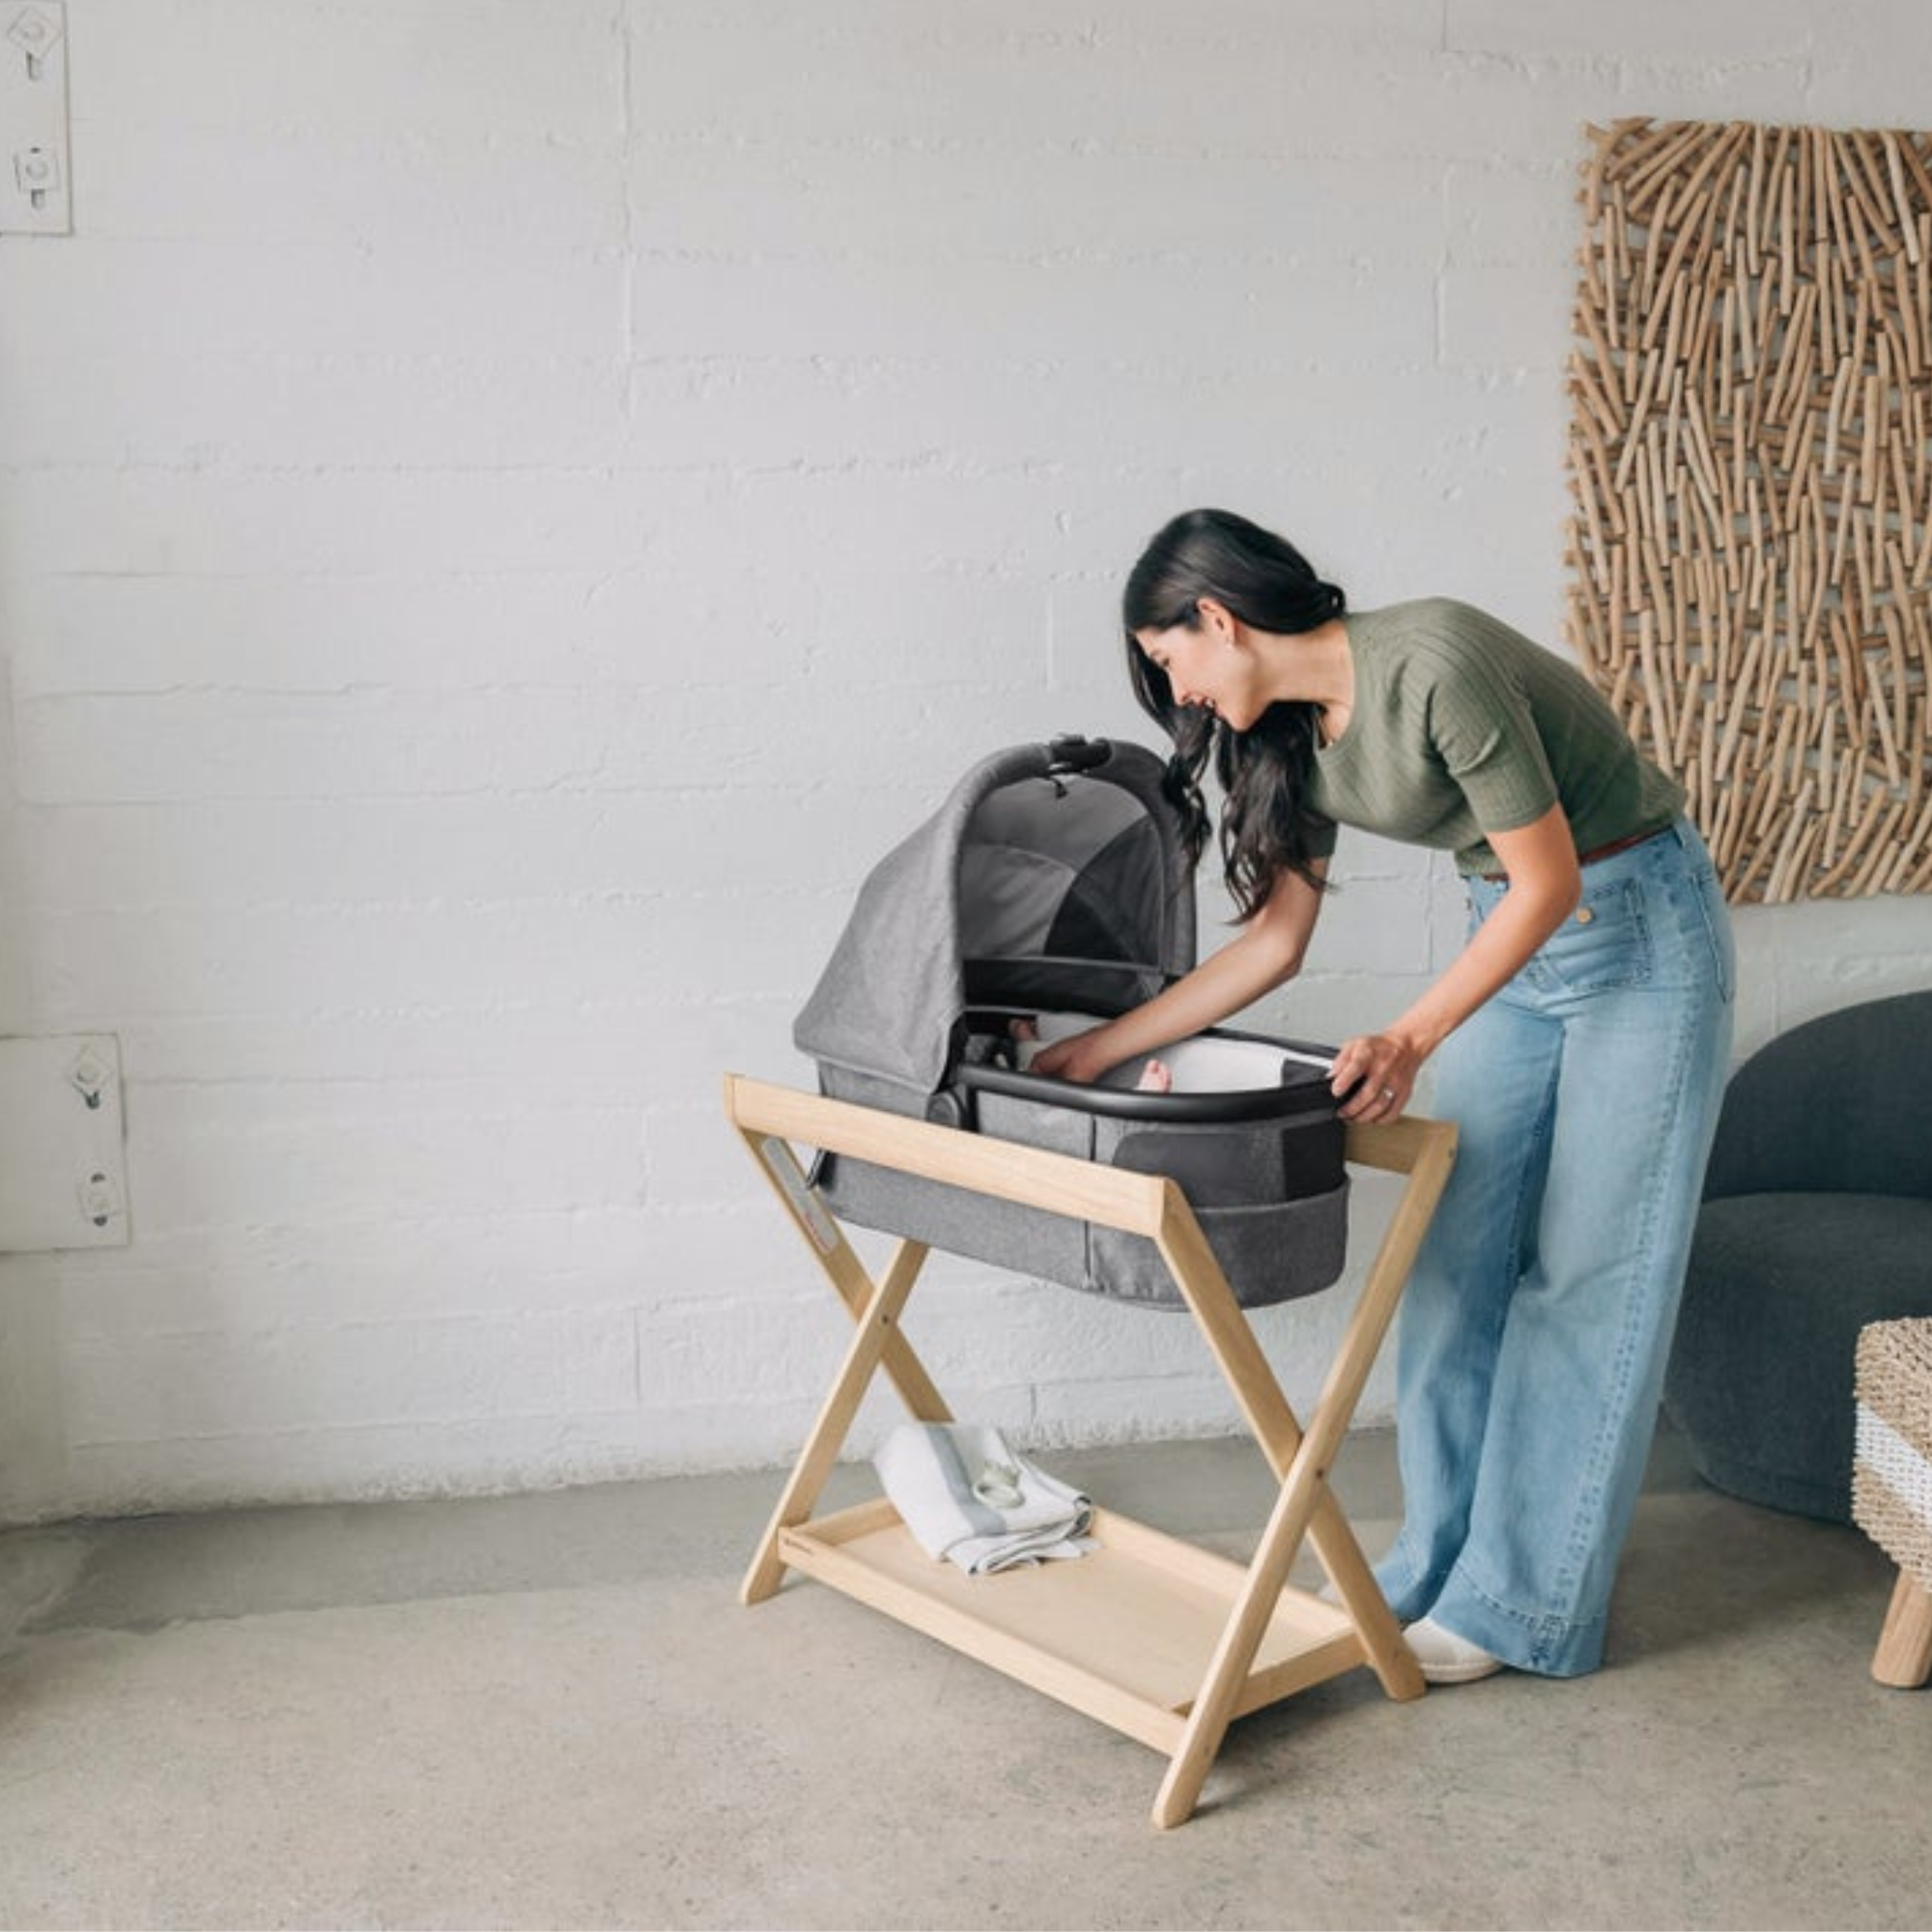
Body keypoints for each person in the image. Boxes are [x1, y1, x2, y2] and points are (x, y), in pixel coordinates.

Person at [1032, 507, 1736, 1683]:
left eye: (1170, 660)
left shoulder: (1434, 660)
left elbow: (1549, 877)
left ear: (1217, 617)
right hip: (1511, 946)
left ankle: (1517, 1605)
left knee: (1585, 1277)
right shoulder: (1287, 737)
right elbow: (1273, 944)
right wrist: (1102, 1049)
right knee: (1453, 1259)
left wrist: (1408, 1035)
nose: (1180, 693)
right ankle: (1429, 1560)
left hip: (1639, 933)